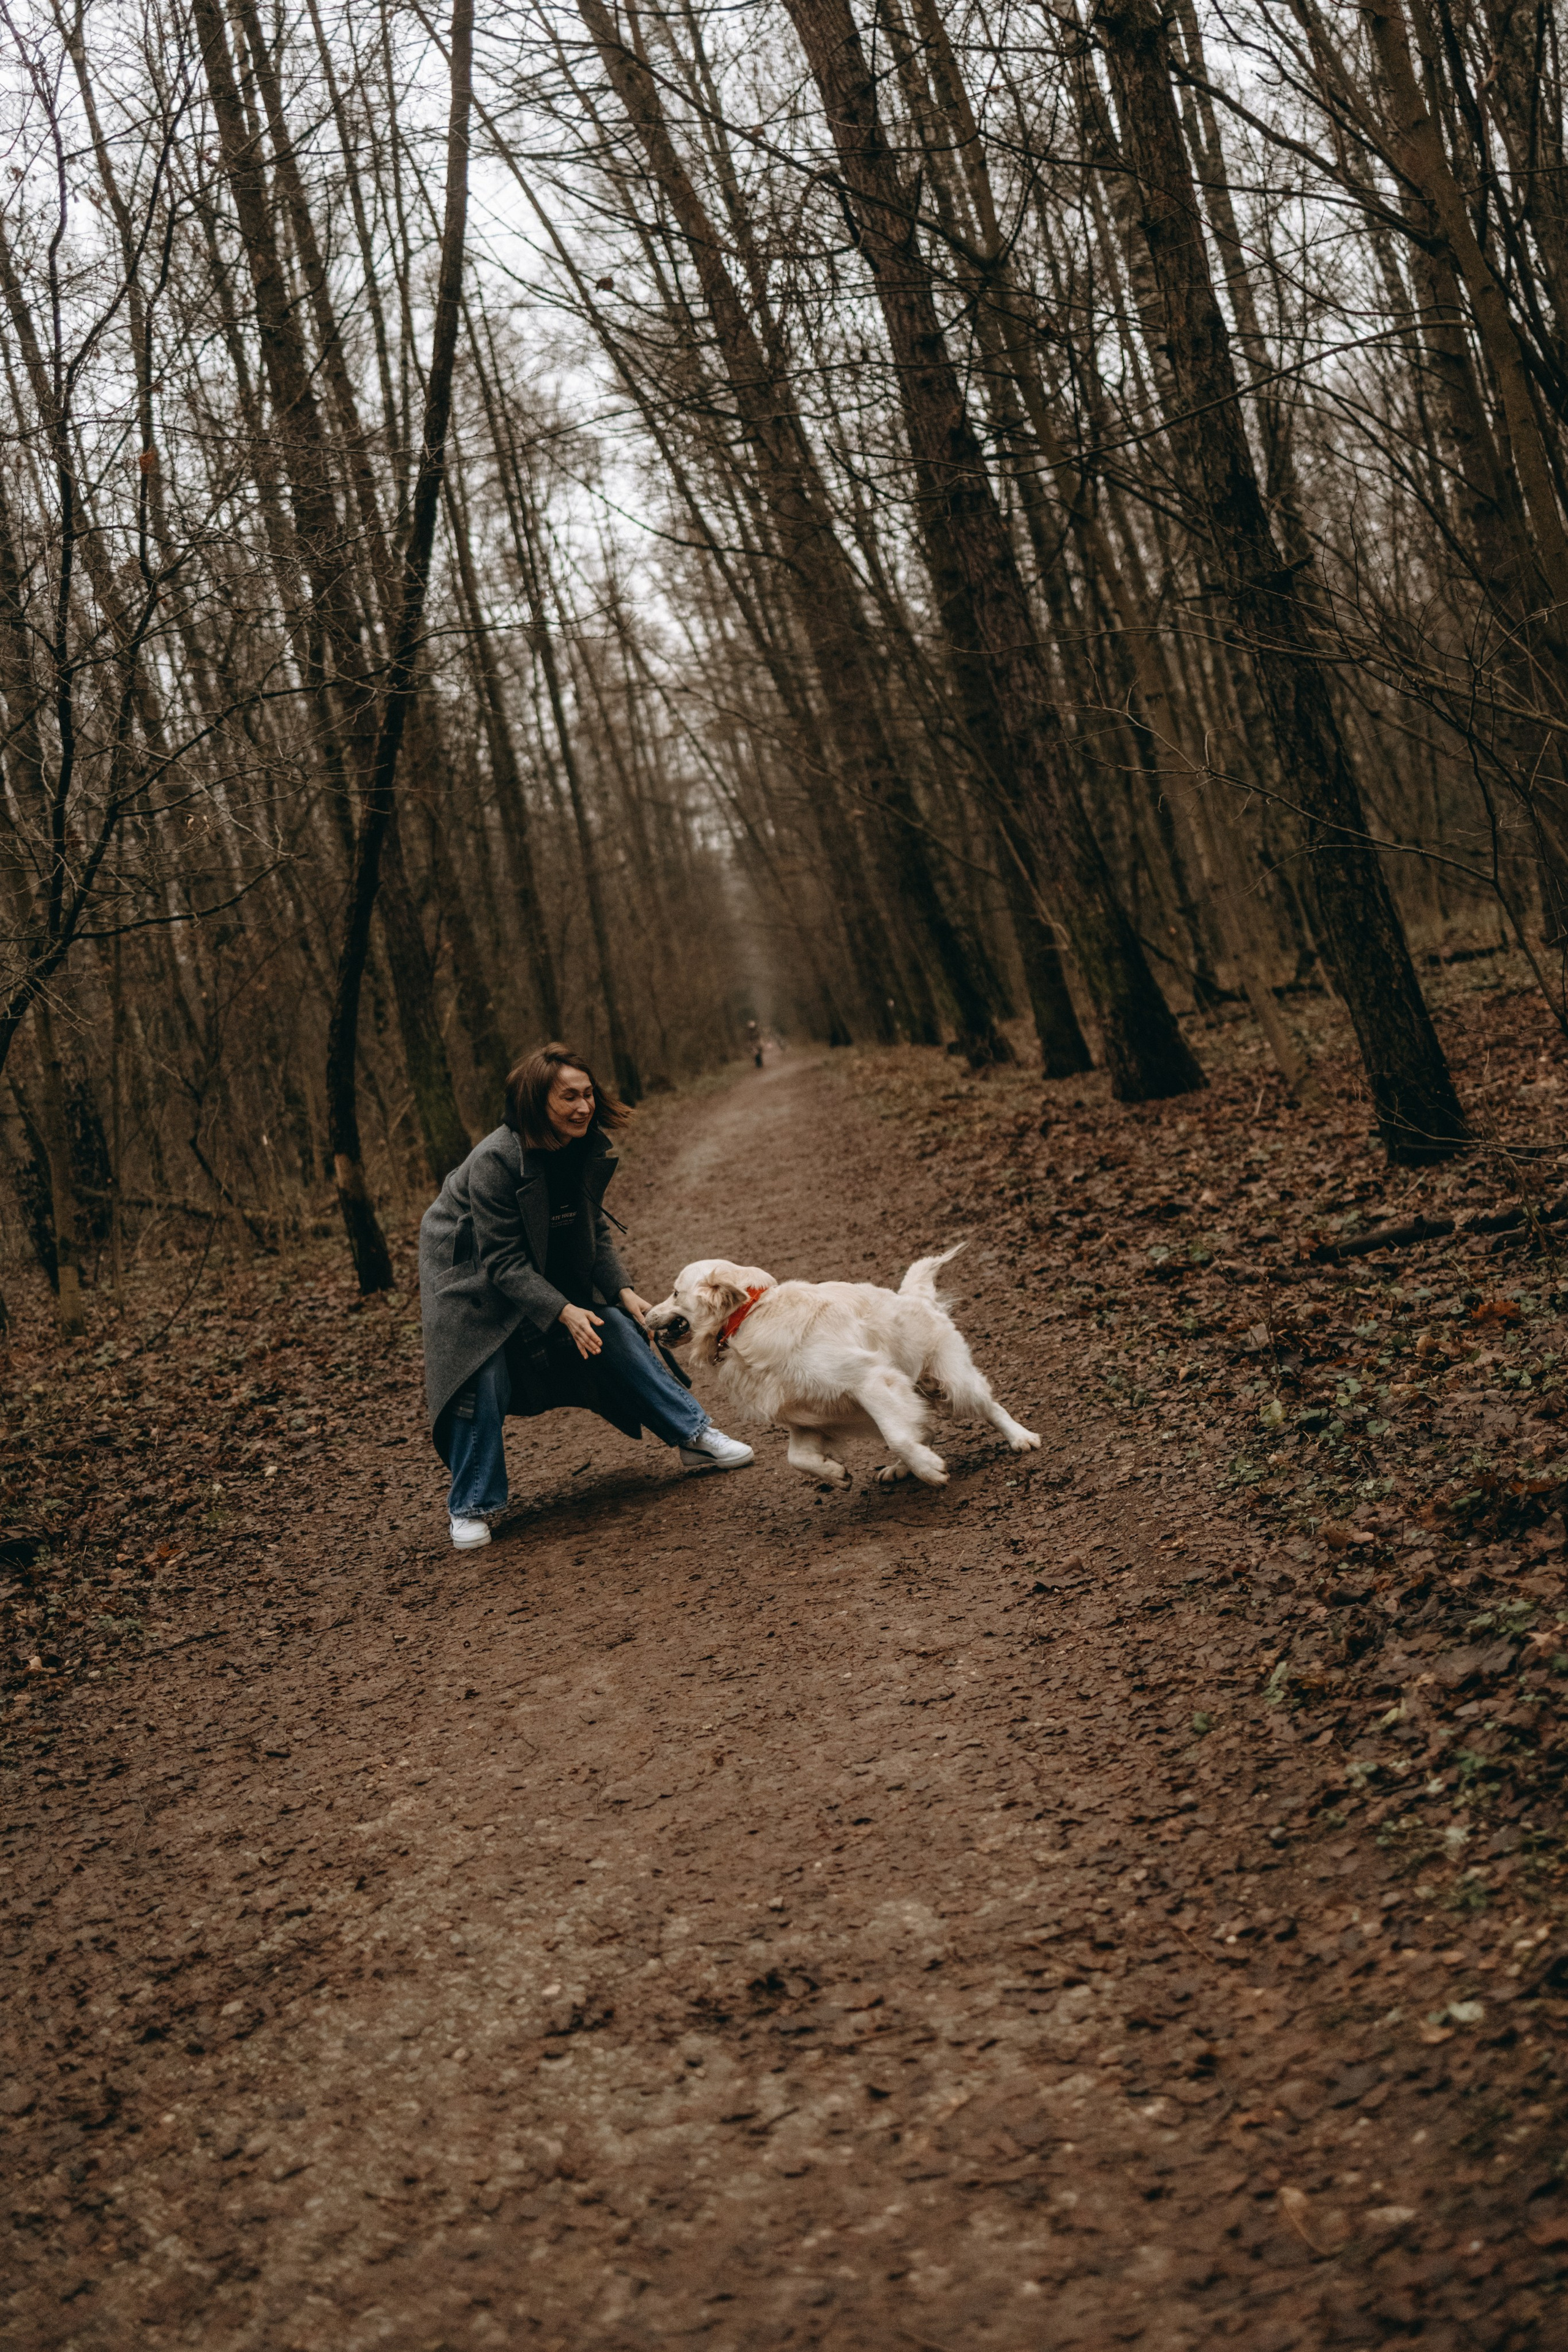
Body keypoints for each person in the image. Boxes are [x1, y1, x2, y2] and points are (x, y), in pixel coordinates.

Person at [420, 1043, 754, 1550]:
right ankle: (470, 1504)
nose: (584, 1107)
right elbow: (502, 1262)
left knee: (613, 1327)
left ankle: (694, 1436)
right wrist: (562, 1310)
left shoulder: (581, 1145)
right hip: (471, 1287)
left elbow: (591, 1230)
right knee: (480, 1373)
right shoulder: (494, 1161)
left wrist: (622, 1291)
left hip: (536, 1272)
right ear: (537, 1103)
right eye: (569, 1097)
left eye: (588, 1094)